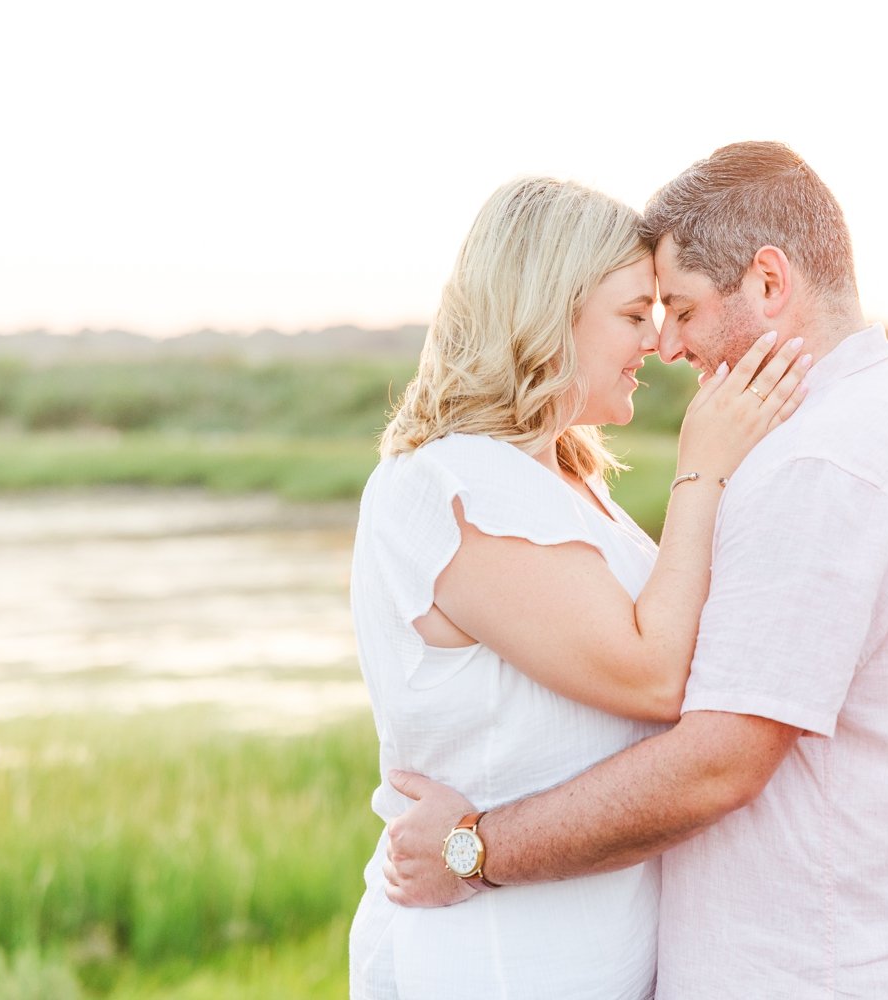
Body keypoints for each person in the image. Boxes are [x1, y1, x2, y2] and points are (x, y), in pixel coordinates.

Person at [381, 142, 888, 998]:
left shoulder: (818, 464)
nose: (669, 344)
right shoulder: (884, 408)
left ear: (770, 283)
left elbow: (717, 760)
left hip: (853, 966)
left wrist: (477, 847)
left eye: (681, 308)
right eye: (642, 314)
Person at [347, 175, 810, 999]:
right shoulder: (454, 483)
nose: (656, 344)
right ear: (547, 314)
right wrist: (702, 466)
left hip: (575, 953)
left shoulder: (557, 474)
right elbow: (651, 672)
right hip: (495, 962)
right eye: (634, 316)